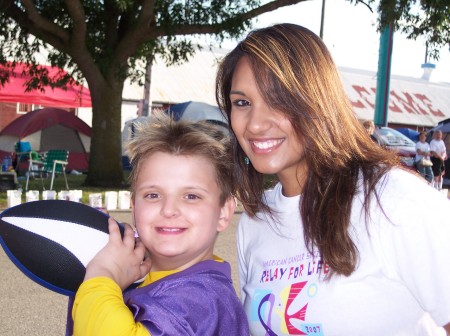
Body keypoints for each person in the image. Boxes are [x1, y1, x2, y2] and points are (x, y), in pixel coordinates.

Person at [216, 23, 450, 335]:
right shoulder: (255, 224)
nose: (256, 124)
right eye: (242, 103)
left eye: (279, 99)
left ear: (317, 101)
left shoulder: (394, 201)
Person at [70, 113, 249, 335]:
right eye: (153, 195)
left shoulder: (204, 301)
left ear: (223, 212)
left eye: (191, 196)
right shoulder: (135, 273)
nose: (169, 210)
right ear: (134, 207)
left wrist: (103, 274)